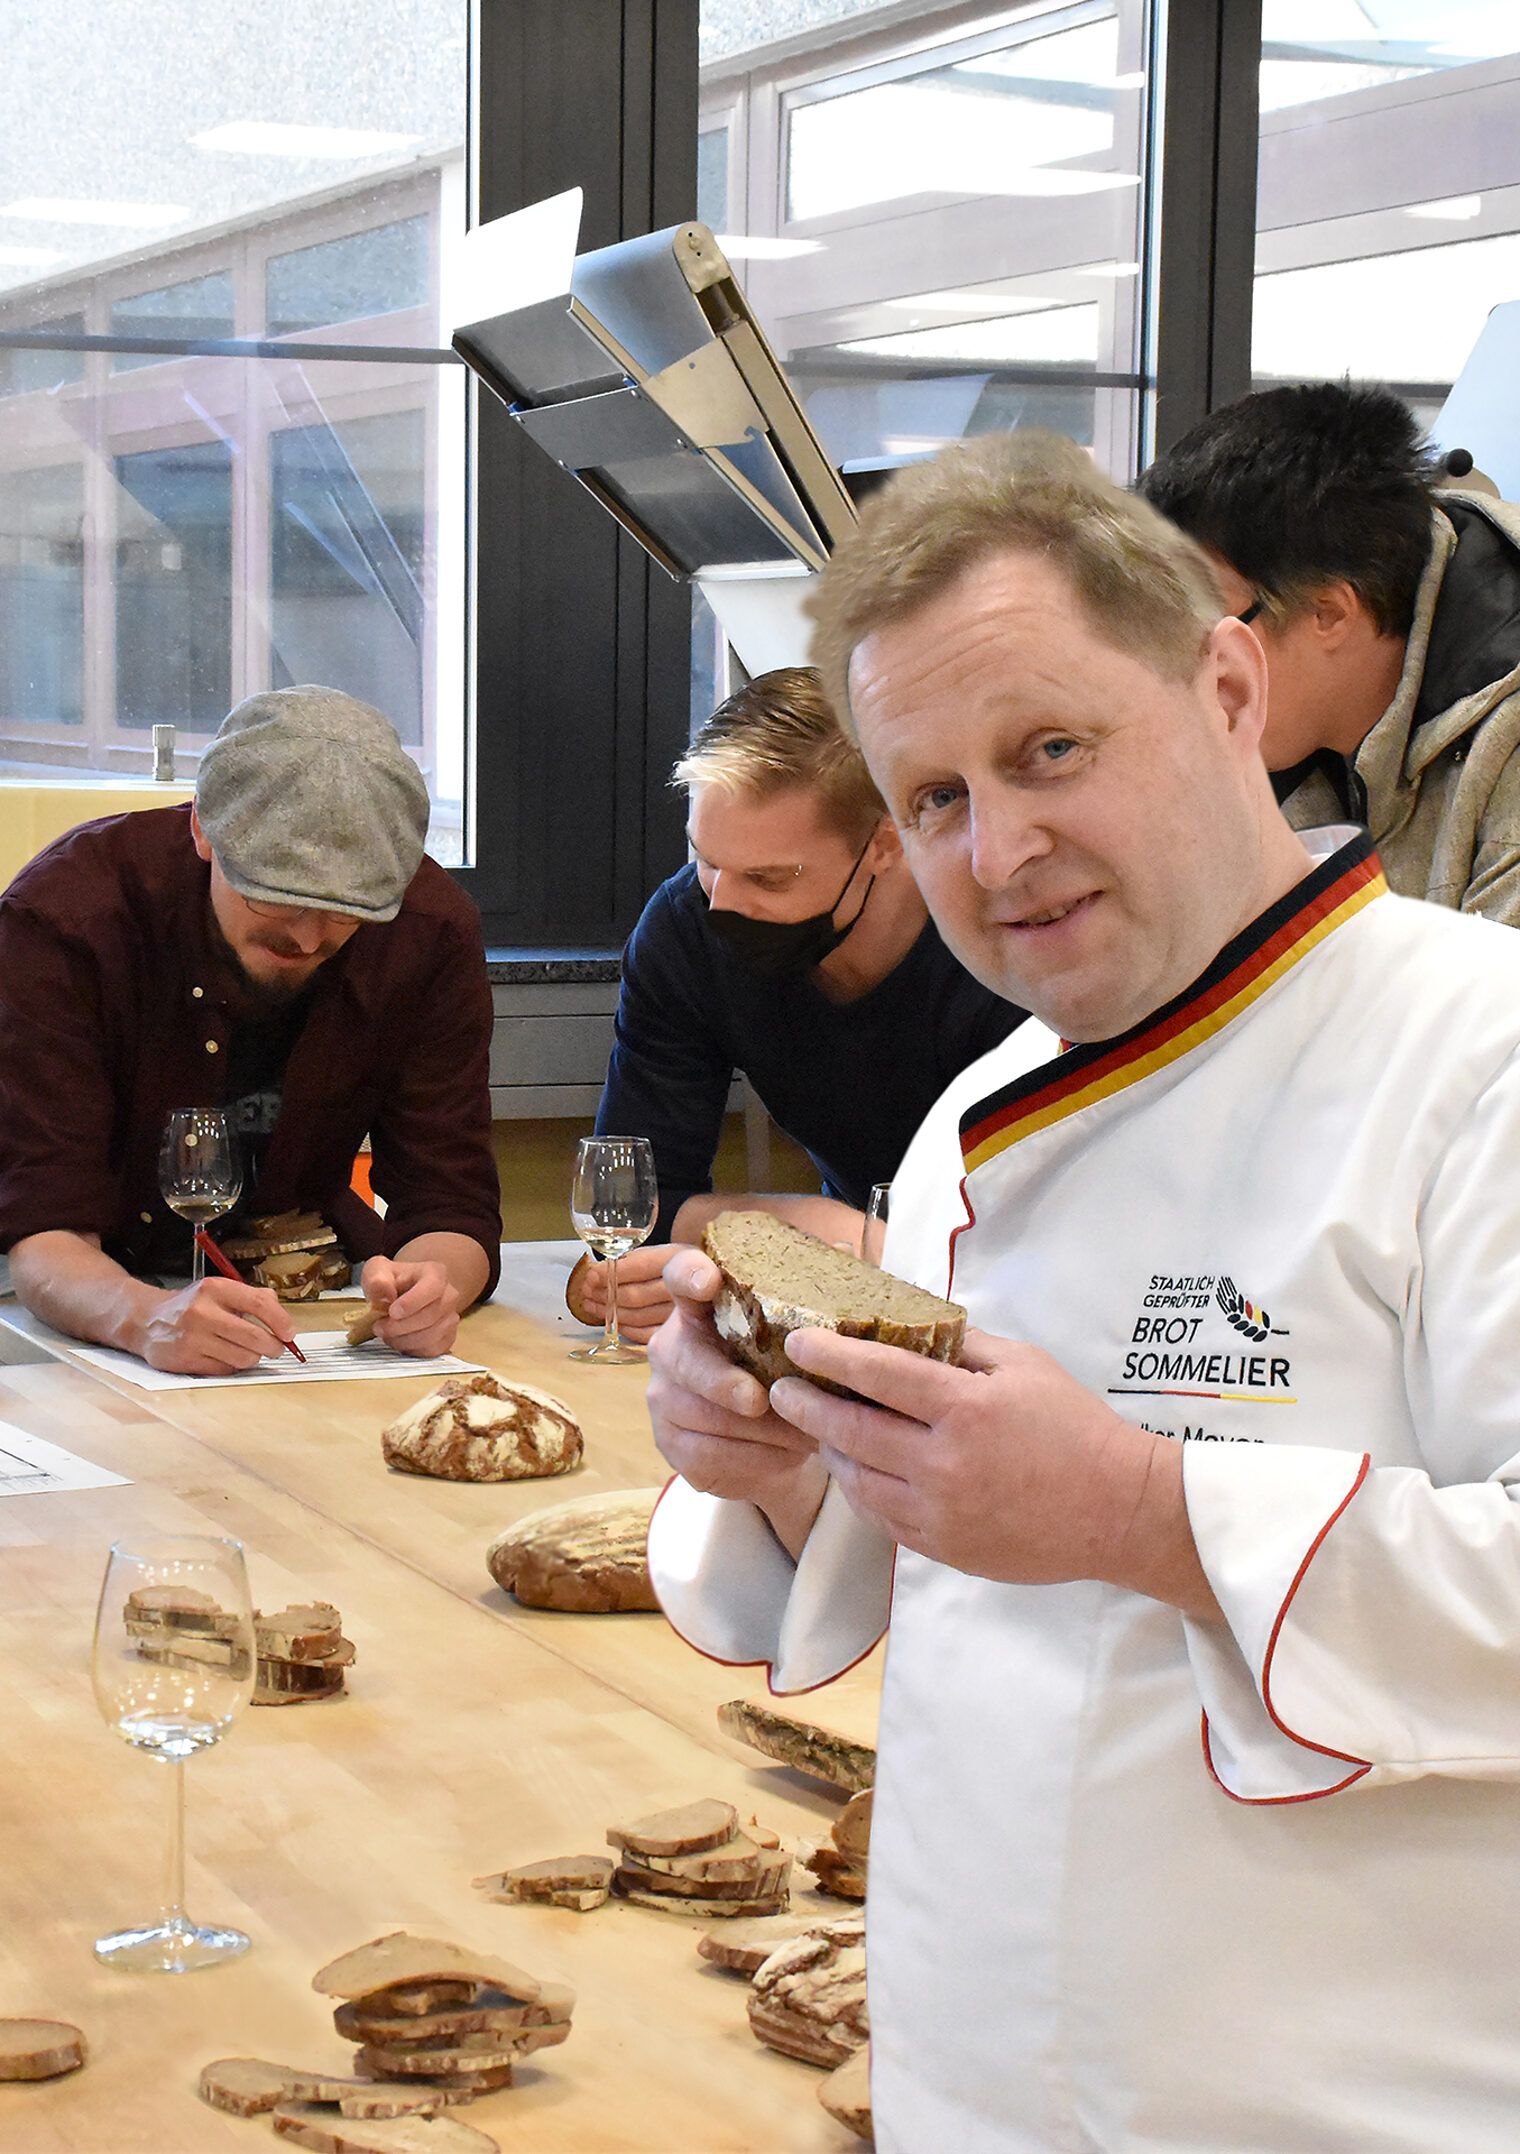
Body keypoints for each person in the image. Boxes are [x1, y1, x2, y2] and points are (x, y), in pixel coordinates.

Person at [644, 430, 1520, 2151]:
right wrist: (787, 1464)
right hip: (977, 2076)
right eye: (938, 797)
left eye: (1053, 746)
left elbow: (1102, 1523)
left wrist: (1145, 1509)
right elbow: (991, 1576)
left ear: (1227, 680)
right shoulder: (977, 1111)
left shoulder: (1477, 1048)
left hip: (1354, 2097)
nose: (1002, 844)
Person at [0, 686, 501, 1377]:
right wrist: (145, 1318)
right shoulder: (69, 922)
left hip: (299, 1290)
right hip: (85, 1300)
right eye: (273, 894)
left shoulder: (427, 933)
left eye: (344, 911)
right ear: (204, 830)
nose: (305, 935)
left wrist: (431, 1288)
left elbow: (452, 1200)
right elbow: (42, 1227)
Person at [576, 666, 1026, 1342]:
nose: (721, 904)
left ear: (885, 842)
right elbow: (635, 1206)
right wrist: (827, 1232)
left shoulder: (1013, 938)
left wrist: (834, 1238)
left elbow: (1050, 1234)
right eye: (706, 859)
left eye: (768, 877)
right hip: (842, 1294)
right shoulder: (681, 933)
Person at [1138, 378, 1520, 918]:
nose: (1182, 674)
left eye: (1208, 634)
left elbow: (1490, 999)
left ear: (1329, 614)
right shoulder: (1290, 719)